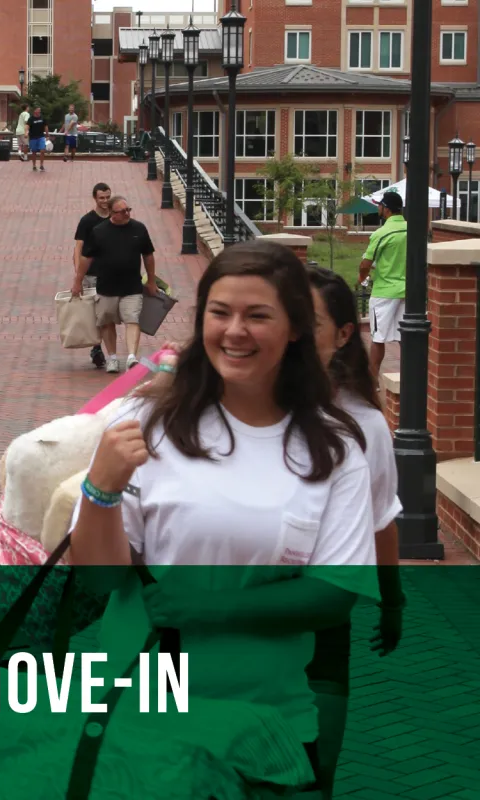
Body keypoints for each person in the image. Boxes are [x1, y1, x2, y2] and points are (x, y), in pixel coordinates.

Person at [69, 240, 380, 794]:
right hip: (138, 721)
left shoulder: (333, 449)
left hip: (267, 726)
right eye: (220, 312)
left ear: (296, 329)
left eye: (258, 315)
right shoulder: (147, 421)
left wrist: (205, 607)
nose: (235, 330)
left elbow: (334, 593)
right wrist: (101, 489)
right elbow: (98, 579)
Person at [307, 265, 405, 799]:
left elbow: (379, 518)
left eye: (310, 322)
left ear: (345, 335)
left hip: (319, 624)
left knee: (312, 775)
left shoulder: (362, 423)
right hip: (209, 628)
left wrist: (392, 601)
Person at [73, 196, 158, 373]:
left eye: (129, 210)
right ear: (112, 213)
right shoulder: (99, 231)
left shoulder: (139, 228)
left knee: (133, 320)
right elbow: (86, 258)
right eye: (122, 211)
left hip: (132, 286)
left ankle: (131, 357)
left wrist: (151, 280)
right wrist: (77, 281)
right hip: (106, 287)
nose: (127, 213)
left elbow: (148, 255)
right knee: (106, 322)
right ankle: (112, 357)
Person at [358, 190, 407, 381]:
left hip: (384, 292)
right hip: (407, 291)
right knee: (405, 336)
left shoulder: (382, 233)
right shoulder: (412, 229)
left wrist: (362, 278)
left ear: (386, 209)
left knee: (378, 338)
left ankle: (372, 382)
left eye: (380, 205)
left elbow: (365, 263)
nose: (378, 208)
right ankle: (411, 378)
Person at [74, 182, 112, 369]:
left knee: (108, 313)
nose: (105, 201)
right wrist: (78, 276)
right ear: (95, 198)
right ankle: (97, 348)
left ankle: (101, 348)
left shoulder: (115, 218)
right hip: (92, 274)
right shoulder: (87, 221)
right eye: (101, 198)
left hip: (111, 274)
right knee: (97, 313)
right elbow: (78, 248)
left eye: (107, 197)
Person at [25, 106, 50, 172]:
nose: (39, 111)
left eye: (40, 110)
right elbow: (27, 126)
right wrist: (26, 133)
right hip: (33, 137)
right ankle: (34, 165)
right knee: (34, 152)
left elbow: (46, 126)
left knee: (42, 150)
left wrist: (47, 135)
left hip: (41, 137)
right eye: (38, 110)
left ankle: (41, 165)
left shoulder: (42, 118)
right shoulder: (31, 119)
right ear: (35, 111)